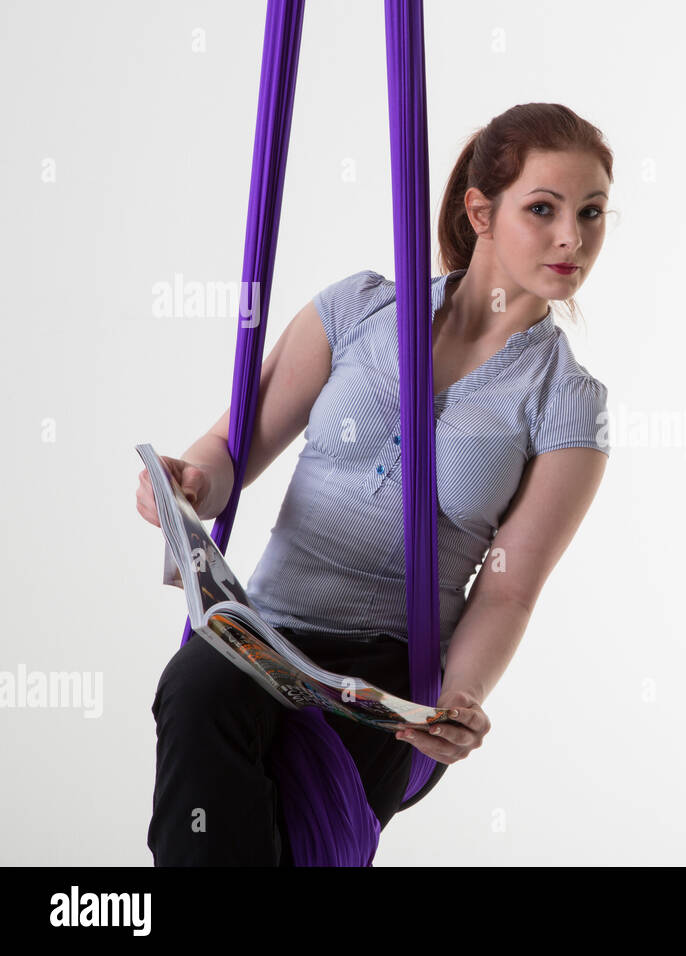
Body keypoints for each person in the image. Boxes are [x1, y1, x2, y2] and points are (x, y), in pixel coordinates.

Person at [137, 103, 614, 865]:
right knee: (197, 693)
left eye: (591, 213)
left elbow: (508, 591)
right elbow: (230, 449)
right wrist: (186, 484)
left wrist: (461, 700)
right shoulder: (360, 311)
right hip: (268, 633)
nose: (573, 238)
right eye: (544, 209)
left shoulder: (567, 403)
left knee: (300, 836)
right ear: (480, 211)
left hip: (396, 675)